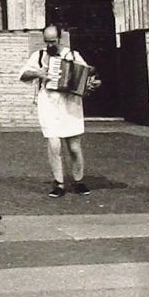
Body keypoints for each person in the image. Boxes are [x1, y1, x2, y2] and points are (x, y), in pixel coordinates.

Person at [19, 23, 99, 198]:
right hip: (48, 103)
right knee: (54, 144)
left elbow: (88, 76)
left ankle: (78, 180)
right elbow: (23, 75)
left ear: (60, 39)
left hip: (70, 103)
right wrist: (38, 74)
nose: (49, 46)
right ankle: (59, 183)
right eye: (46, 41)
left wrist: (92, 83)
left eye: (52, 41)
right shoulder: (38, 56)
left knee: (74, 147)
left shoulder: (73, 55)